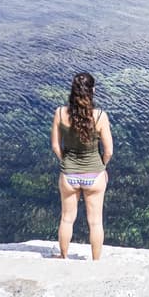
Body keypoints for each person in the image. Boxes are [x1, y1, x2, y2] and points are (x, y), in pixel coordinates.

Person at [51, 72, 113, 260]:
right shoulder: (100, 116)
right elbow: (109, 151)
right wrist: (101, 166)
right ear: (92, 91)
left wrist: (66, 162)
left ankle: (63, 257)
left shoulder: (60, 114)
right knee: (95, 223)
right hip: (94, 175)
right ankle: (95, 261)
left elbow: (55, 146)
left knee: (67, 219)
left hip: (69, 175)